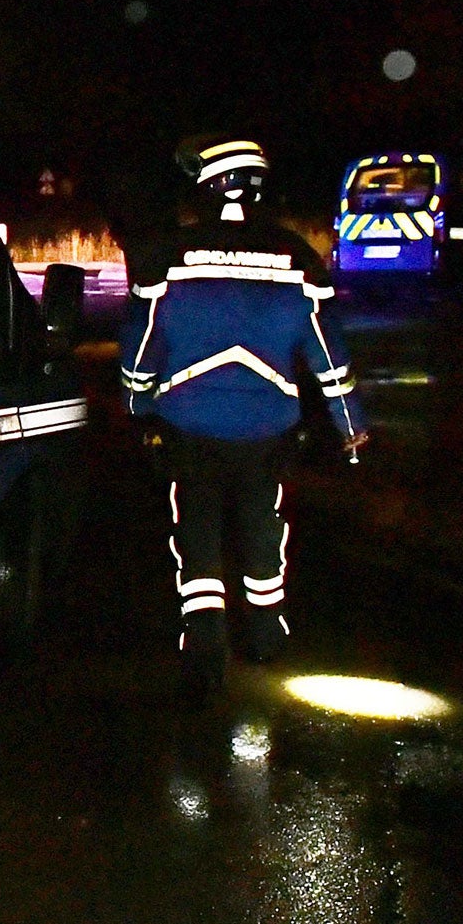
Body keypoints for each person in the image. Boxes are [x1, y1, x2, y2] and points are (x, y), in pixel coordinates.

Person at [120, 136, 369, 692]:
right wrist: (349, 425)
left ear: (206, 188)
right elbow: (329, 353)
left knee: (196, 530)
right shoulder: (297, 257)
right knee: (263, 526)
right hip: (269, 429)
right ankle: (264, 635)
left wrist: (137, 404)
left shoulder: (169, 255)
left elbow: (142, 344)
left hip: (187, 427)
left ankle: (205, 644)